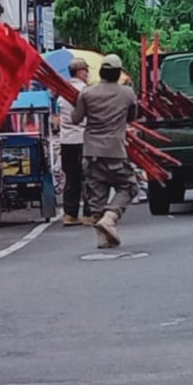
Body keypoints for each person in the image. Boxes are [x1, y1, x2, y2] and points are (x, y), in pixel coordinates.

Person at [72, 54, 141, 249]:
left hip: (91, 152)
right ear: (118, 73)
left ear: (101, 71)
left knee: (97, 195)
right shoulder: (127, 93)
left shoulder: (87, 93)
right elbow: (132, 117)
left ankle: (102, 238)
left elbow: (76, 118)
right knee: (129, 187)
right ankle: (110, 218)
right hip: (115, 151)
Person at [57, 58, 93, 227]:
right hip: (83, 138)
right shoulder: (86, 92)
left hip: (67, 141)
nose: (88, 74)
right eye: (86, 71)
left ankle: (70, 214)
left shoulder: (62, 93)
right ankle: (89, 213)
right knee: (89, 177)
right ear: (80, 72)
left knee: (71, 178)